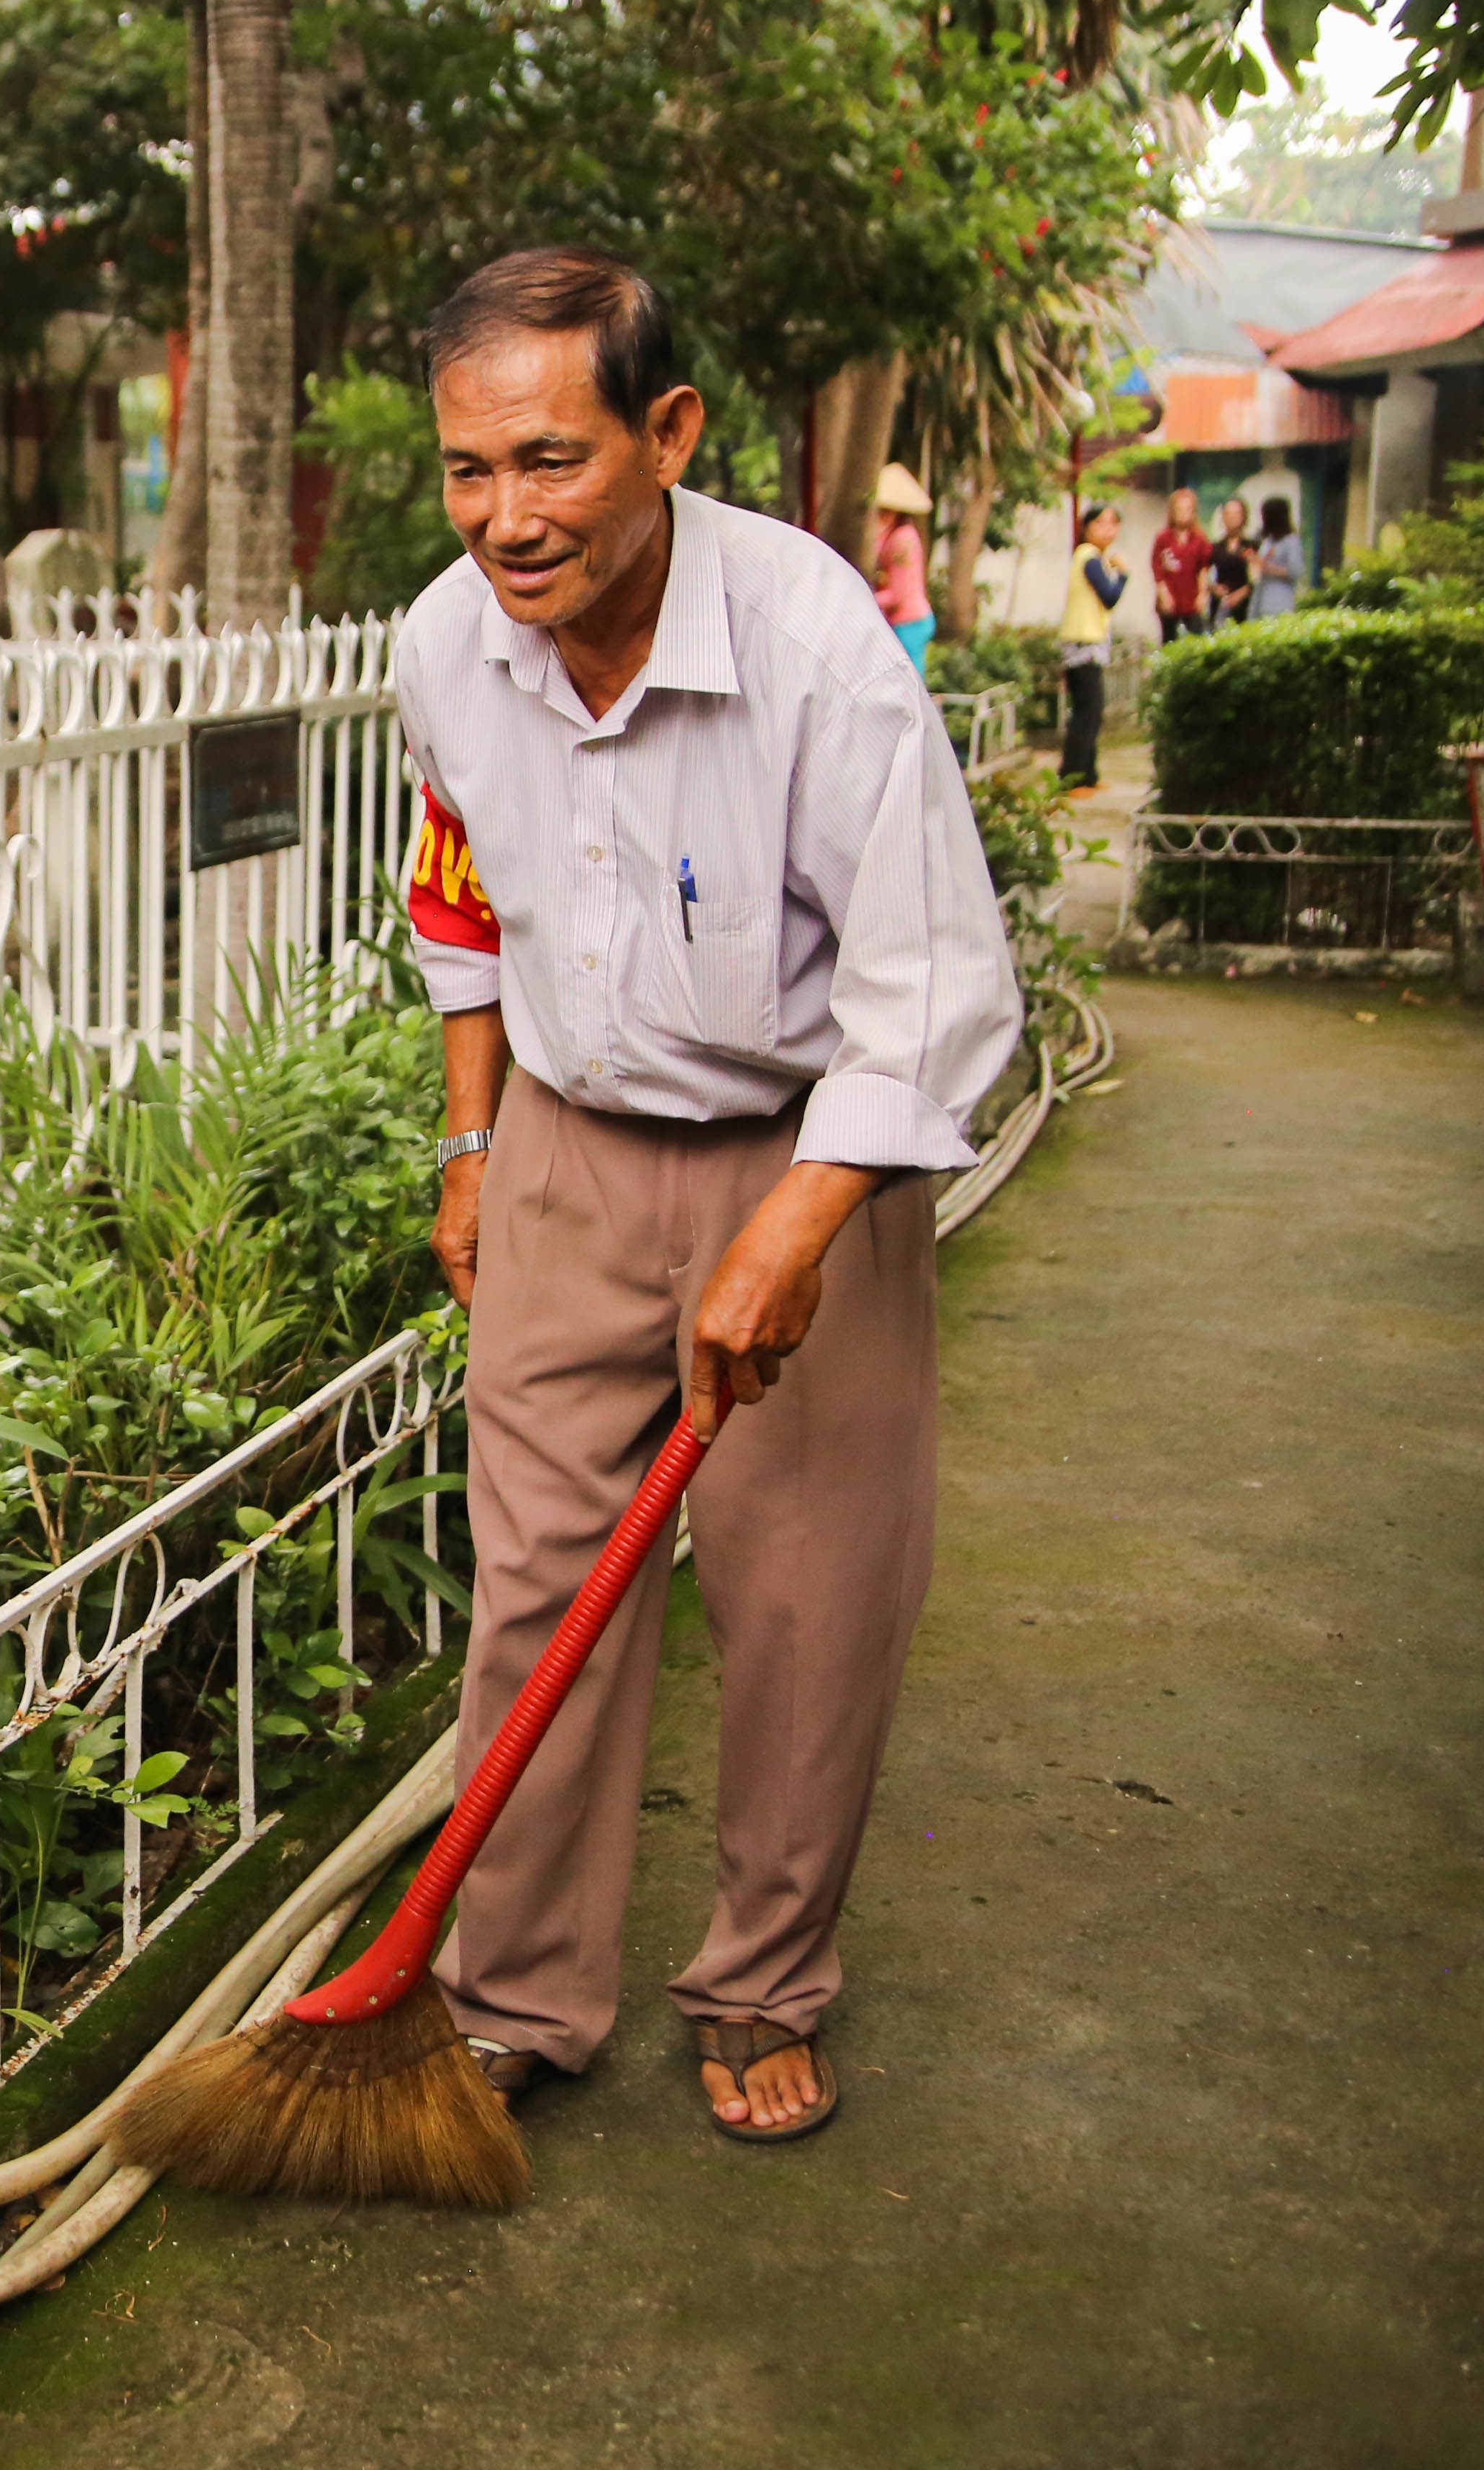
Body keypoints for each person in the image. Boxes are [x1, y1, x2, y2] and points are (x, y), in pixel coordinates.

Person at [399, 246, 1021, 2142]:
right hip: (572, 1153)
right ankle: (513, 1995)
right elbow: (463, 896)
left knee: (810, 1596)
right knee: (536, 1591)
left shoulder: (818, 642)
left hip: (801, 1149)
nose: (507, 519)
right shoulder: (443, 643)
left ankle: (761, 1981)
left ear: (665, 433)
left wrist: (799, 1224)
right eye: (467, 470)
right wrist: (476, 1140)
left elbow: (938, 985)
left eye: (550, 461)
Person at [1060, 500, 1123, 791]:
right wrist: (1123, 576)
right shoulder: (1089, 556)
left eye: (1112, 523)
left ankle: (1089, 775)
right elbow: (1109, 596)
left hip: (1090, 640)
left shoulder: (1096, 557)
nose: (1107, 530)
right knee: (1087, 711)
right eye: (1099, 523)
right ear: (1086, 527)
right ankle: (1072, 777)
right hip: (1083, 642)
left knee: (1092, 710)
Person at [870, 460, 934, 679]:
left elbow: (897, 594)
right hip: (899, 622)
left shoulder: (903, 539)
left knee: (911, 685)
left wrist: (866, 599)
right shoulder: (889, 535)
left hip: (910, 622)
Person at [1149, 501, 1210, 641]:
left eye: (1187, 509)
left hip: (1192, 598)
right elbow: (1157, 569)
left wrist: (1202, 594)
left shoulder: (1200, 538)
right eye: (1179, 509)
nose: (1183, 513)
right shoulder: (1163, 538)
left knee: (1197, 638)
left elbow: (1203, 568)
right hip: (1169, 597)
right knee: (1169, 639)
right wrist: (1163, 594)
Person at [1203, 496, 1255, 629]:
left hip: (1246, 606)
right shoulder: (1215, 547)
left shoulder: (1252, 546)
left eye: (1236, 513)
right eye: (1228, 514)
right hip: (1221, 605)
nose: (1232, 518)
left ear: (1244, 517)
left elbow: (1257, 578)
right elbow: (1203, 574)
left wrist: (1241, 593)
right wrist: (1214, 588)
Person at [1252, 494, 1306, 618]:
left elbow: (1296, 570)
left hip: (1281, 602)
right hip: (1262, 599)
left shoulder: (1291, 542)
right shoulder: (1267, 542)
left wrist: (1269, 568)